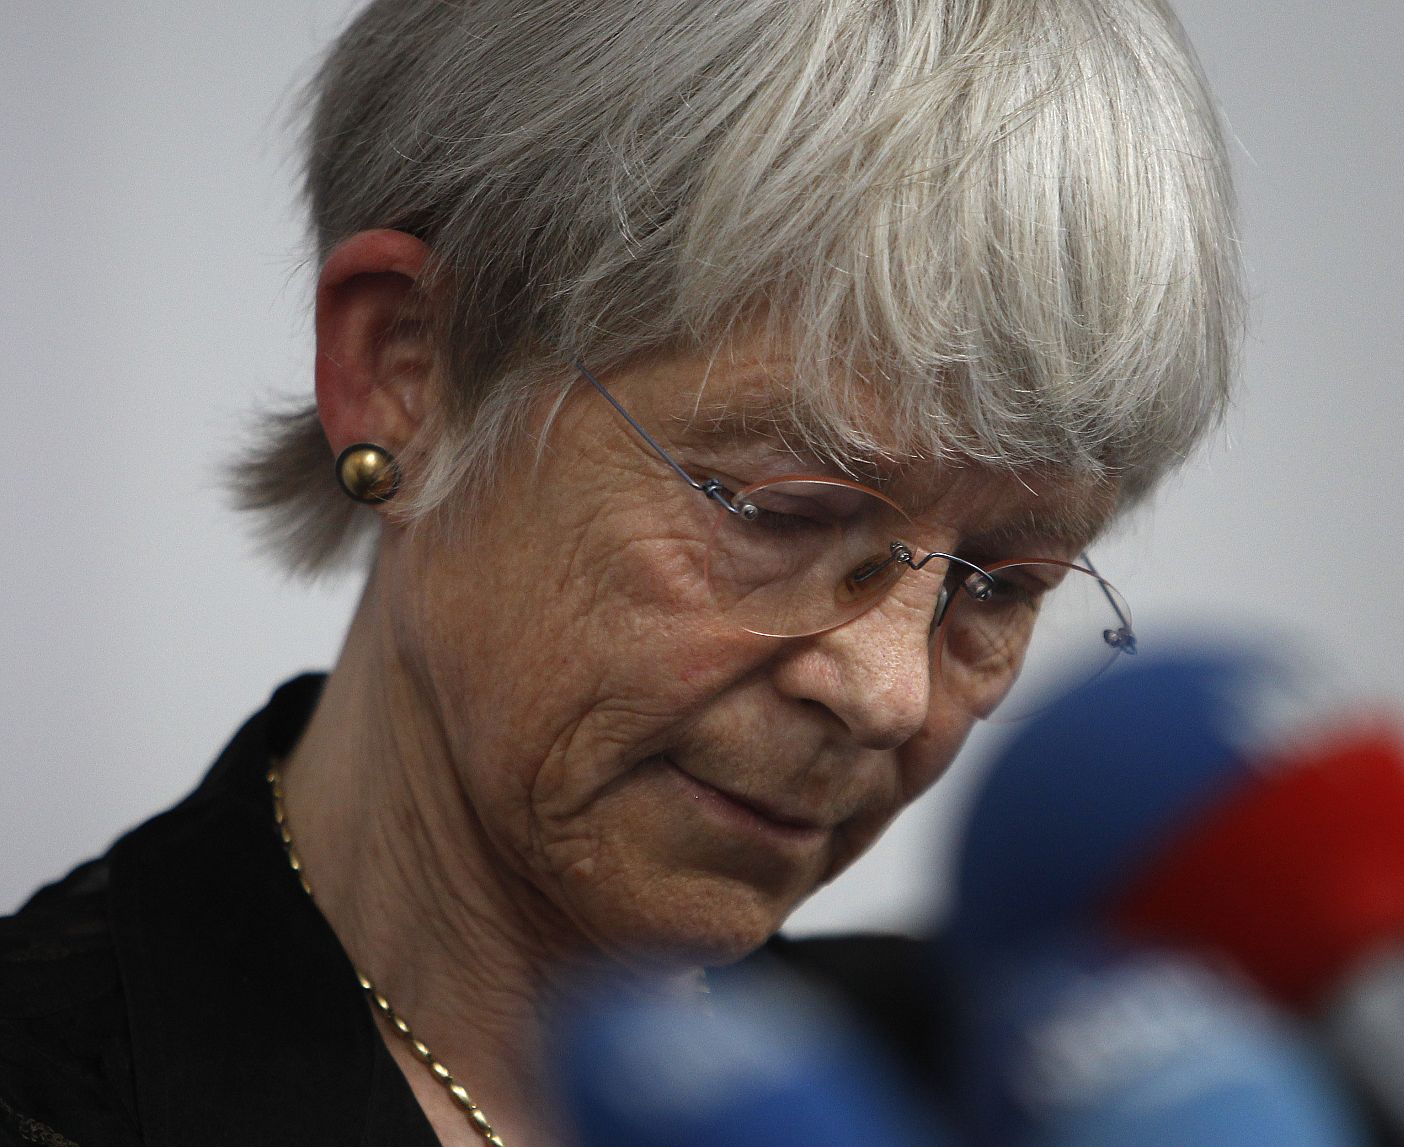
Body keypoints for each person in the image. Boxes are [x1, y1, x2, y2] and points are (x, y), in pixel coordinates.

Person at [0, 1, 1240, 1143]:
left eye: (1001, 584)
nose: (888, 693)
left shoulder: (985, 1092)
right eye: (783, 510)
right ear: (407, 370)